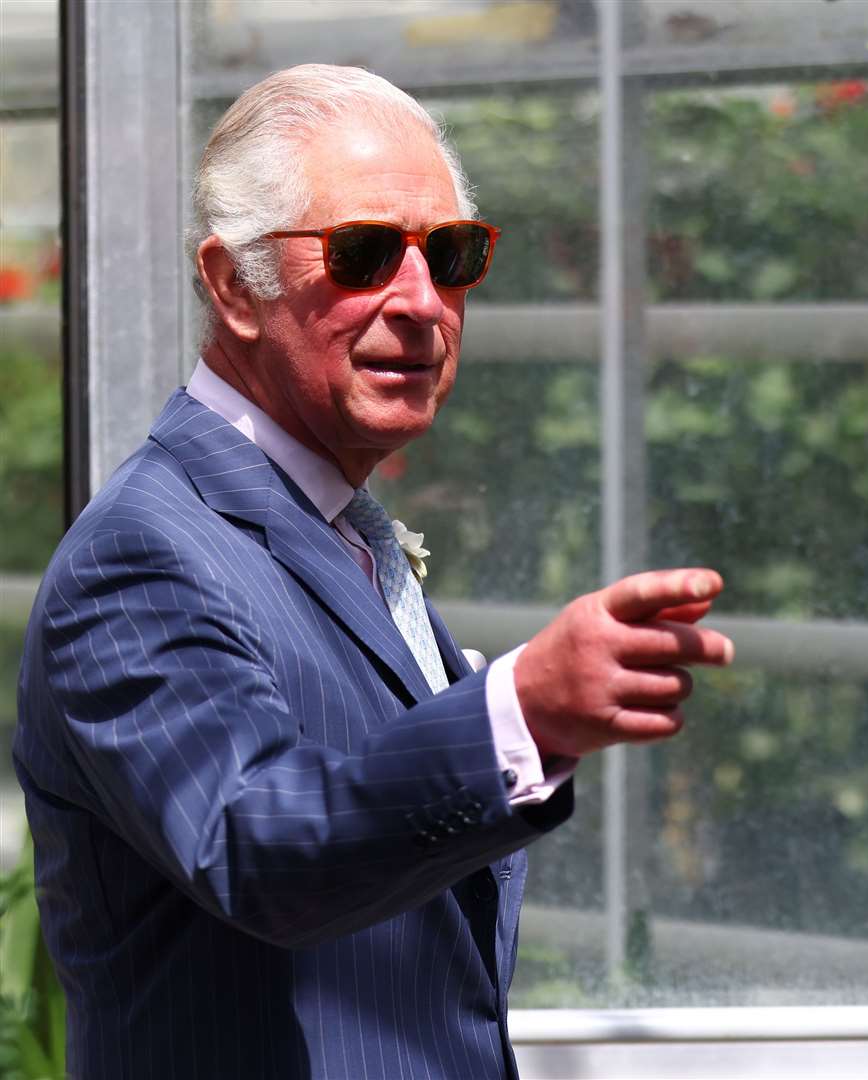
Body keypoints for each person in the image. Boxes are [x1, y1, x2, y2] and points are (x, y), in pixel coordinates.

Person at [14, 64, 734, 1079]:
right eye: (361, 254)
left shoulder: (339, 525)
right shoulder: (145, 558)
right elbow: (257, 846)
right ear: (234, 286)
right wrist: (519, 712)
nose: (421, 301)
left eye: (451, 253)